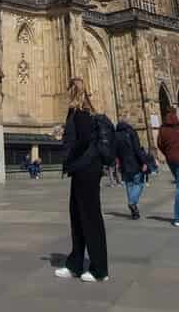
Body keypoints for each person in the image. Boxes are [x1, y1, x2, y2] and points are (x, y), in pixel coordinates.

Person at [54, 77, 109, 283]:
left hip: (86, 169)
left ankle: (99, 269)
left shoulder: (81, 112)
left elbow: (84, 139)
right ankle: (75, 264)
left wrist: (69, 152)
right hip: (83, 169)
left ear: (72, 92)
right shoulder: (82, 112)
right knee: (77, 217)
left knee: (90, 218)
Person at [115, 117, 148, 218]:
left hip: (124, 164)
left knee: (129, 185)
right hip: (134, 163)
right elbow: (137, 149)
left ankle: (134, 212)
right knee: (139, 184)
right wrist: (144, 162)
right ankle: (132, 203)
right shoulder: (131, 132)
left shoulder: (115, 134)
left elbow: (115, 151)